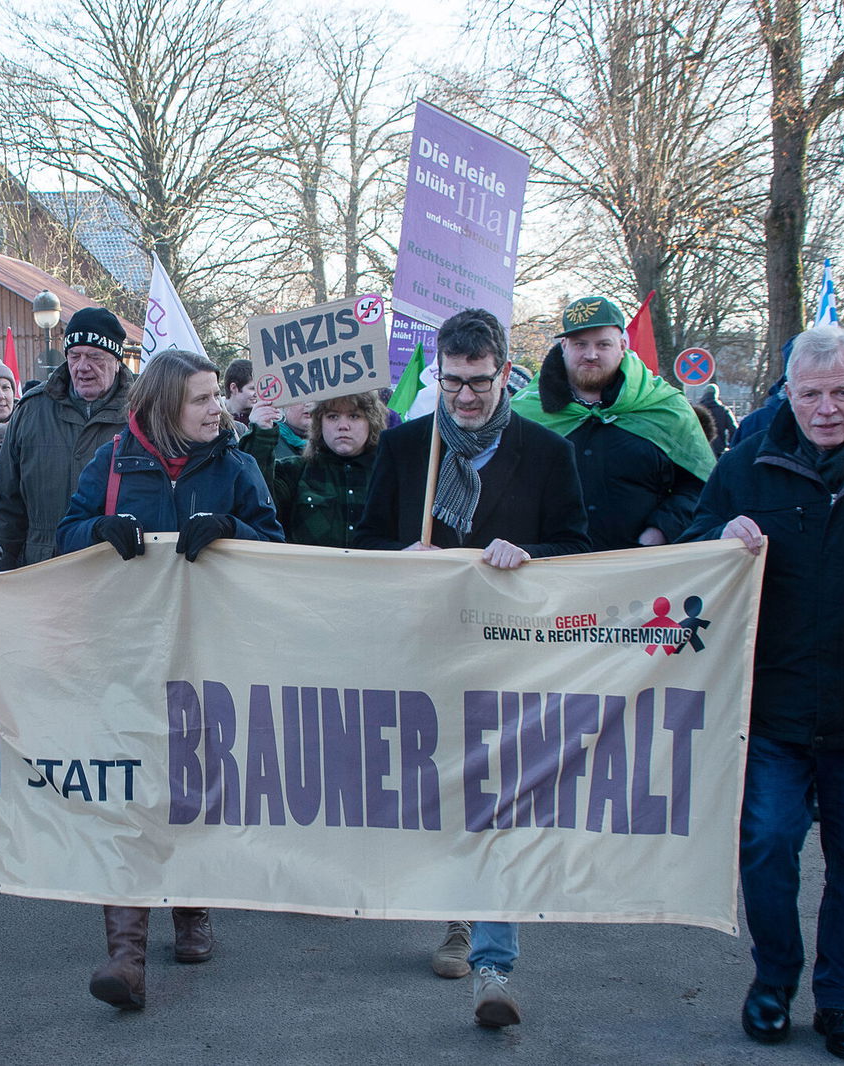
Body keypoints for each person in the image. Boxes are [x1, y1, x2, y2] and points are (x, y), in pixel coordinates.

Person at [680, 325, 844, 1063]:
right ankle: (773, 981)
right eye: (810, 394)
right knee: (765, 846)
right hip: (771, 707)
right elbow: (693, 546)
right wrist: (715, 533)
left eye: (841, 393)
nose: (825, 409)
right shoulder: (747, 464)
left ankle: (841, 1000)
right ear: (787, 393)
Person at [354, 308, 589, 1029]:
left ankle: (493, 959)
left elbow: (577, 548)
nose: (464, 397)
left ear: (503, 373)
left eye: (478, 382)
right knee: (441, 793)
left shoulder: (548, 453)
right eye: (451, 382)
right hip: (426, 652)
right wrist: (403, 558)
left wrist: (530, 558)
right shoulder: (403, 450)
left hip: (511, 656)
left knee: (500, 798)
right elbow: (363, 544)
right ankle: (456, 910)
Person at [55, 347, 284, 1009]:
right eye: (204, 398)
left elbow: (277, 547)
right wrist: (99, 529)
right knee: (127, 789)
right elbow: (64, 537)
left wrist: (232, 529)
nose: (218, 408)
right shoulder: (110, 464)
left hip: (208, 653)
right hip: (123, 652)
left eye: (217, 396)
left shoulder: (237, 467)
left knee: (194, 785)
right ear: (164, 406)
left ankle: (191, 909)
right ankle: (124, 954)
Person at [512, 296, 714, 551]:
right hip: (549, 572)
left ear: (622, 346)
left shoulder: (667, 408)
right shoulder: (523, 412)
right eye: (580, 344)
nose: (591, 354)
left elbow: (702, 486)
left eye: (603, 344)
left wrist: (660, 530)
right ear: (564, 346)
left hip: (641, 576)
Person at [0, 306, 135, 568]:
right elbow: (5, 502)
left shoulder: (144, 413)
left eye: (95, 357)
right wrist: (2, 572)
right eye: (74, 355)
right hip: (42, 570)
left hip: (118, 569)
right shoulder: (32, 410)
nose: (82, 367)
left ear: (117, 360)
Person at [271, 391, 385, 547]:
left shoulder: (389, 475)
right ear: (319, 423)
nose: (343, 426)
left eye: (354, 416)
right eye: (333, 416)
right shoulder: (294, 471)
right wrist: (261, 435)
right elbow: (257, 502)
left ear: (371, 422)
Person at [239, 398, 309, 487]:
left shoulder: (329, 444)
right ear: (282, 406)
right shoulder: (265, 441)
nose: (308, 404)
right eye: (300, 396)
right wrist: (260, 434)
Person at [699, 383, 737, 457]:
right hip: (718, 450)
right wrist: (731, 446)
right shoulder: (723, 410)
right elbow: (734, 430)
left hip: (700, 449)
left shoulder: (697, 410)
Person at [223, 357, 256, 424]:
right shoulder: (216, 418)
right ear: (234, 388)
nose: (258, 393)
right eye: (253, 388)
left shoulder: (262, 417)